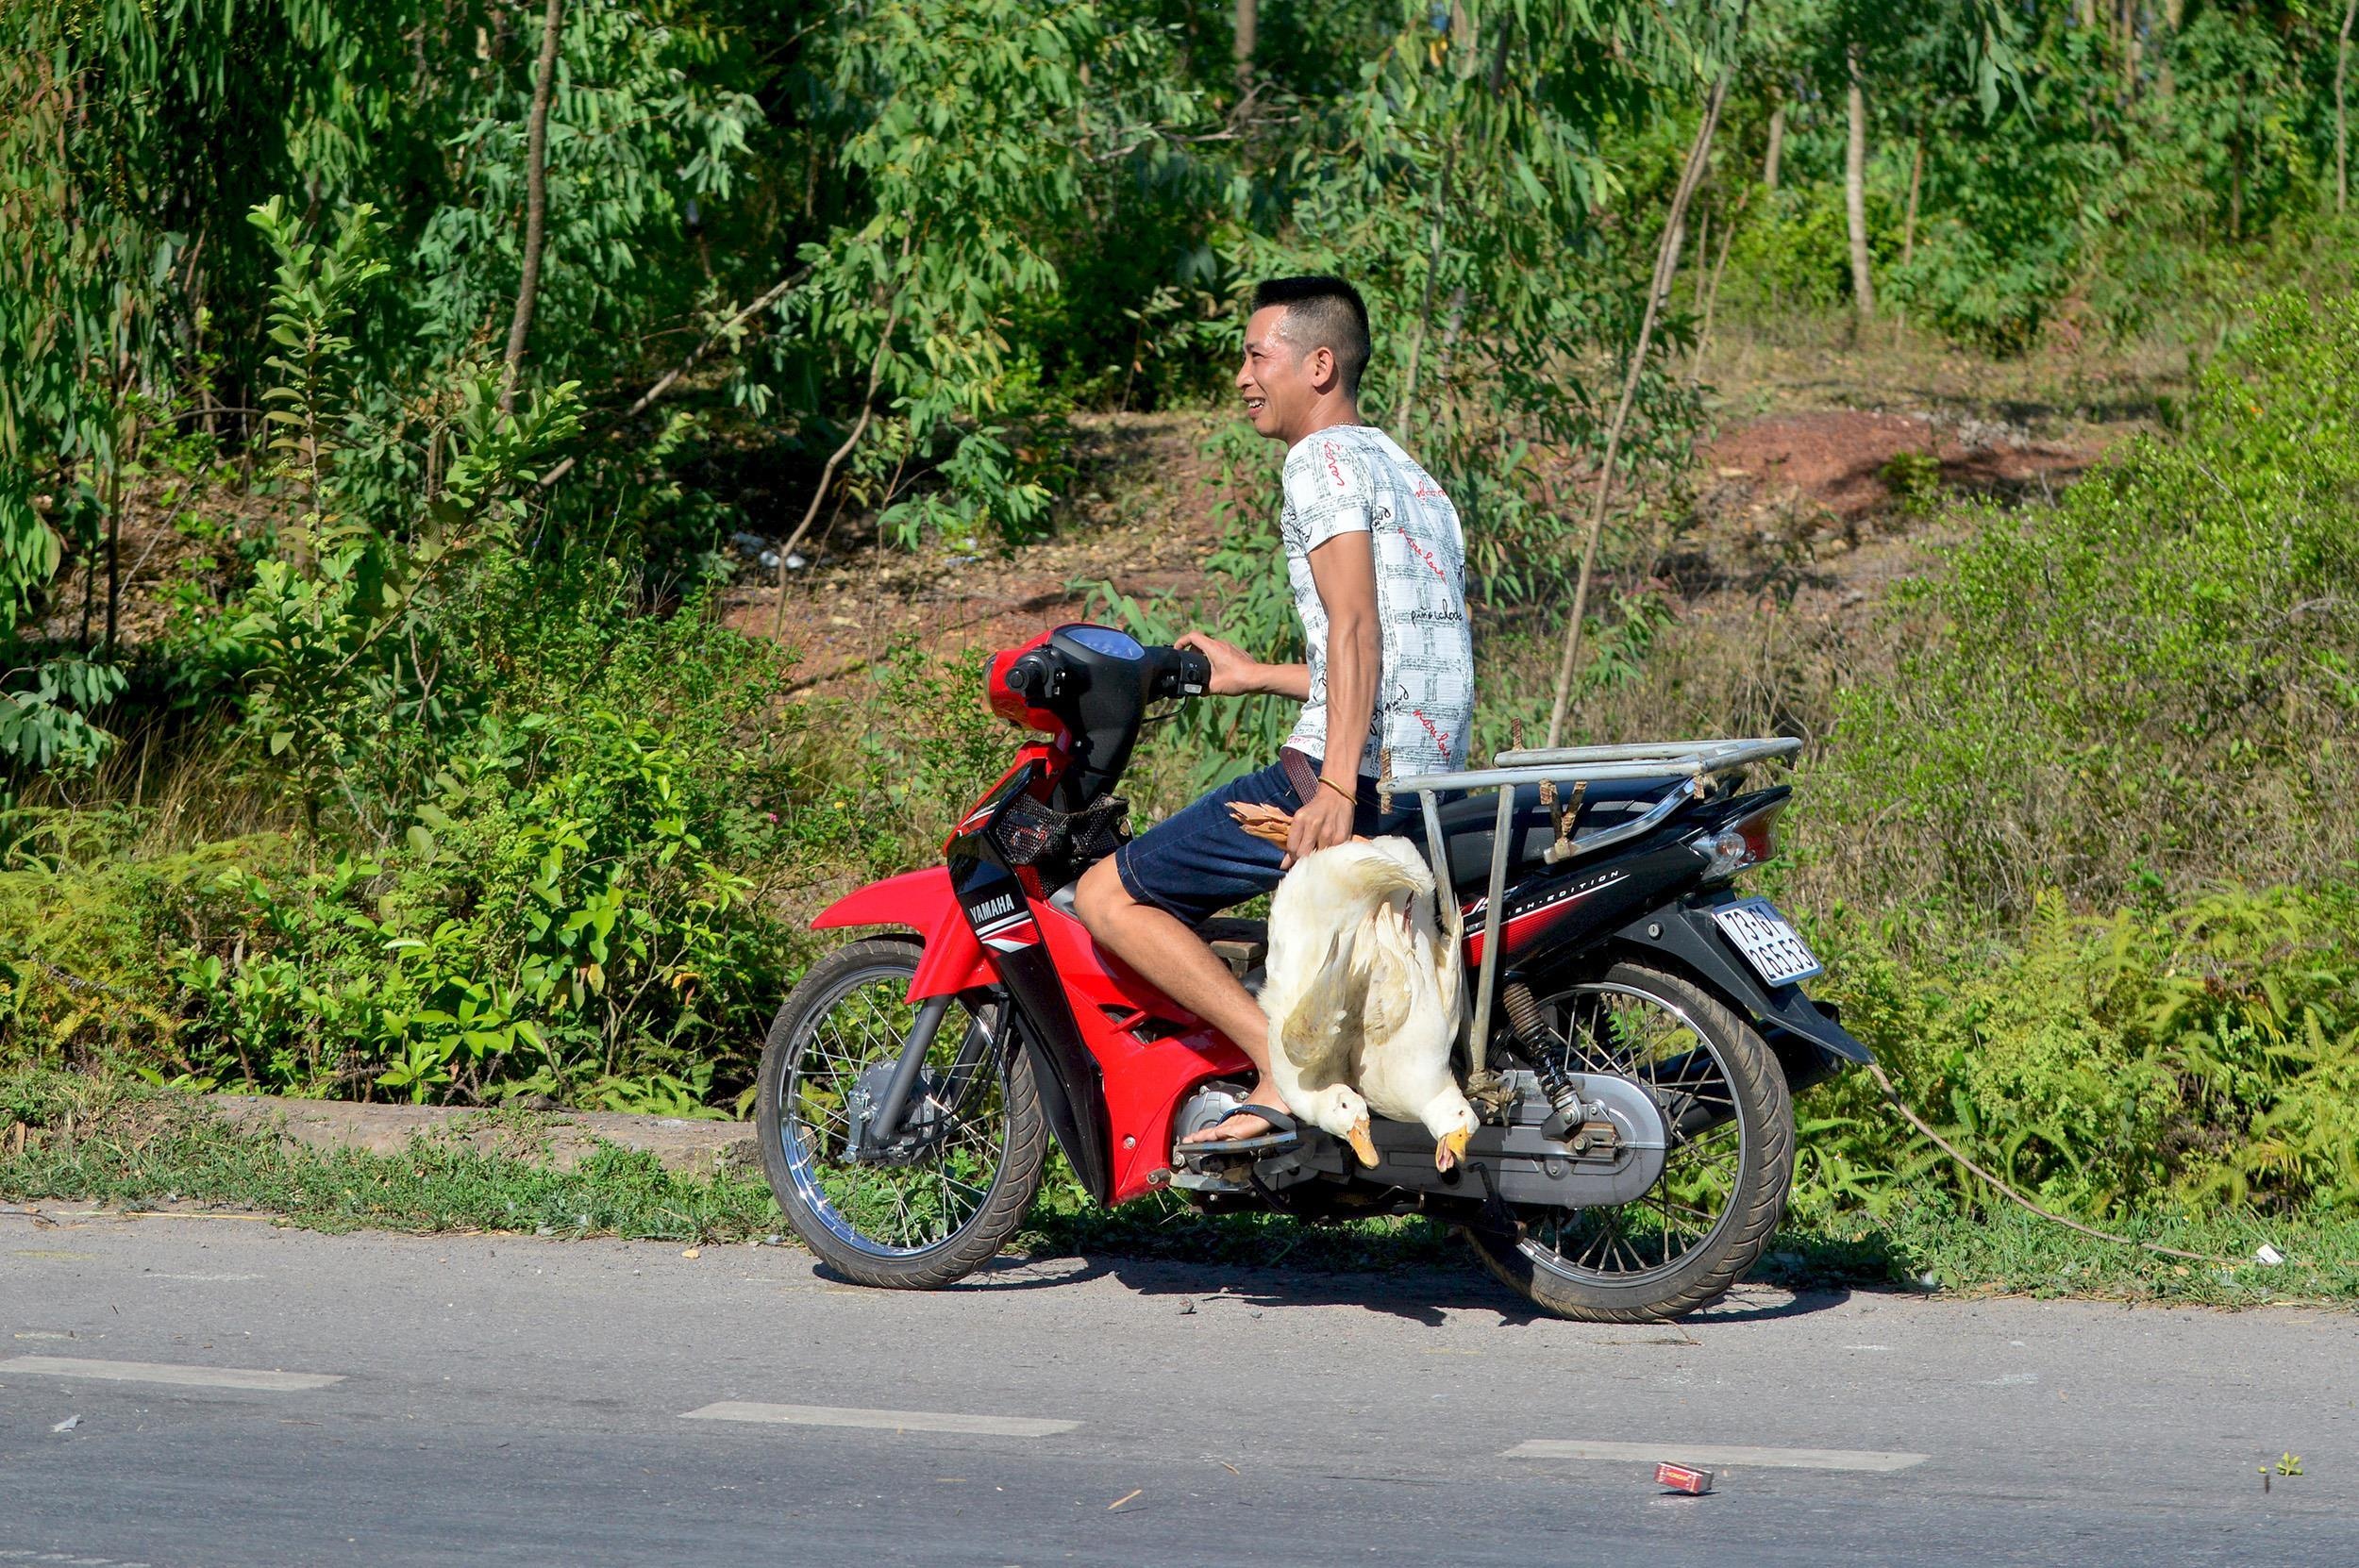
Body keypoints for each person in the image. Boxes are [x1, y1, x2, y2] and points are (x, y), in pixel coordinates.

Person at [1072, 275, 1475, 1146]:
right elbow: (1381, 651)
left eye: (1258, 356)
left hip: (1357, 775)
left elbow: (1355, 624)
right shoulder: (1408, 473)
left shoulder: (1320, 461)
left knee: (1108, 895)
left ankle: (1280, 1066)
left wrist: (1332, 784)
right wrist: (1255, 676)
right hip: (1426, 778)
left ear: (1319, 364)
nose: (1244, 377)